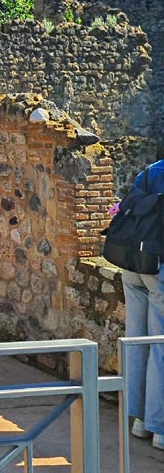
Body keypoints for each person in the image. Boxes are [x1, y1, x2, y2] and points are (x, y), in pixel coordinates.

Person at [121, 161, 164, 450]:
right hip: (159, 265)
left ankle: (137, 420)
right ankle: (159, 428)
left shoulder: (151, 170)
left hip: (133, 261)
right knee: (161, 348)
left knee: (137, 341)